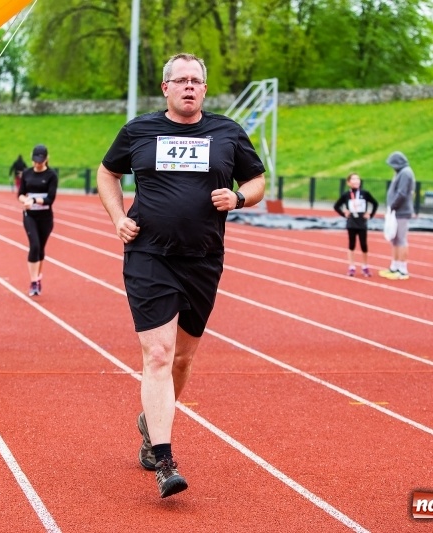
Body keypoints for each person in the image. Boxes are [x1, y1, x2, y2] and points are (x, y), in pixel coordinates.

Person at [96, 52, 266, 498]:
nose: (189, 86)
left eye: (197, 80)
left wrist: (239, 198)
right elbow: (107, 172)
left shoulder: (227, 132)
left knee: (182, 359)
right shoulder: (138, 130)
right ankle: (164, 459)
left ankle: (150, 423)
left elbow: (258, 181)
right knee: (158, 354)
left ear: (204, 90)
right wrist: (117, 217)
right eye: (181, 80)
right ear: (166, 88)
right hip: (149, 254)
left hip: (203, 259)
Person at [18, 144, 58, 296]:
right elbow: (20, 194)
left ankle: (38, 278)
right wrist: (25, 200)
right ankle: (34, 281)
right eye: (35, 160)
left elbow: (50, 198)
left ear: (47, 158)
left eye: (40, 160)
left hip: (45, 217)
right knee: (34, 245)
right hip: (30, 216)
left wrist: (34, 200)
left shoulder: (51, 175)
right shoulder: (27, 173)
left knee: (40, 248)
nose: (38, 163)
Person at [379, 151, 416, 280]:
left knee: (401, 239)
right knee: (395, 239)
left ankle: (403, 269)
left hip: (401, 211)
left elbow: (402, 193)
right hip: (396, 211)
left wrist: (392, 206)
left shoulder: (405, 173)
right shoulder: (400, 172)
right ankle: (394, 266)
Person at [333, 173, 379, 277]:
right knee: (351, 244)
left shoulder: (365, 193)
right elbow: (336, 206)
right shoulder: (346, 195)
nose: (356, 181)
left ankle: (365, 266)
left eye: (357, 179)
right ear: (348, 182)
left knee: (363, 245)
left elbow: (375, 203)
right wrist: (344, 214)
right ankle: (351, 266)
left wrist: (370, 215)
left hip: (362, 222)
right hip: (351, 222)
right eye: (353, 179)